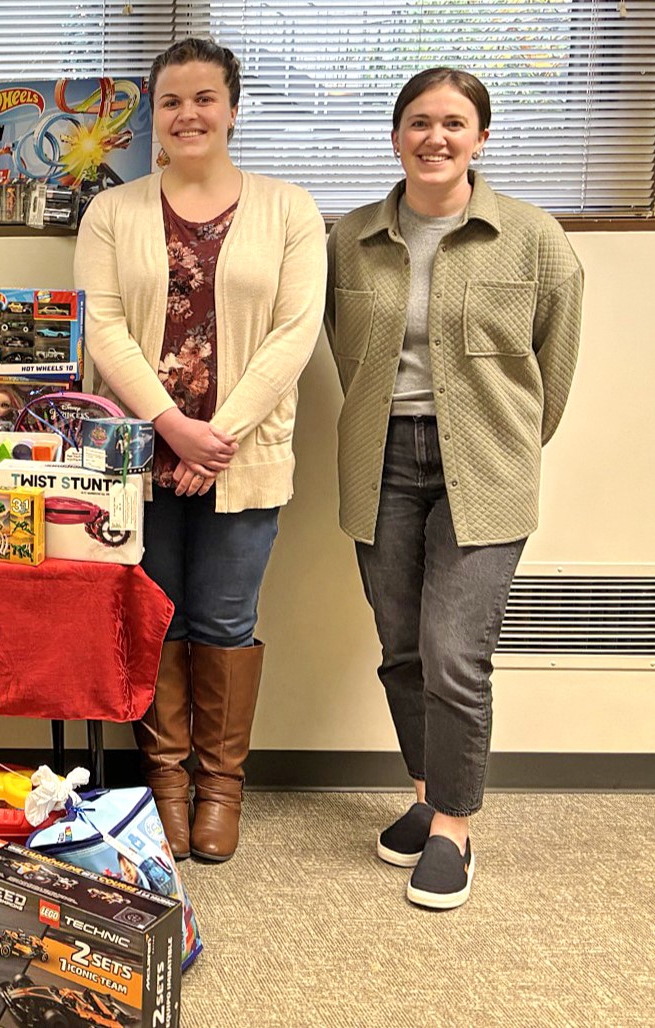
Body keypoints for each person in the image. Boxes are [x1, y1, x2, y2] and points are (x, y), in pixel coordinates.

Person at [326, 68, 582, 910]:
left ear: (480, 137)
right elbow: (345, 350)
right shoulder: (351, 238)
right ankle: (429, 793)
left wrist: (506, 445)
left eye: (454, 123)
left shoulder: (535, 239)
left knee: (454, 654)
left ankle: (456, 829)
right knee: (402, 648)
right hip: (382, 462)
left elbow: (554, 366)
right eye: (419, 122)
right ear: (396, 135)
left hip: (488, 466)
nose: (436, 138)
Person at [74, 37, 326, 863]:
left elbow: (295, 333)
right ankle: (165, 787)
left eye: (204, 98)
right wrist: (169, 426)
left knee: (225, 620)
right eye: (172, 101)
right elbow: (102, 326)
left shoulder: (289, 210)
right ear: (156, 113)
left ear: (232, 108)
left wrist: (217, 438)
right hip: (138, 457)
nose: (188, 114)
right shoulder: (112, 211)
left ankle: (221, 788)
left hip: (244, 454)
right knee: (157, 617)